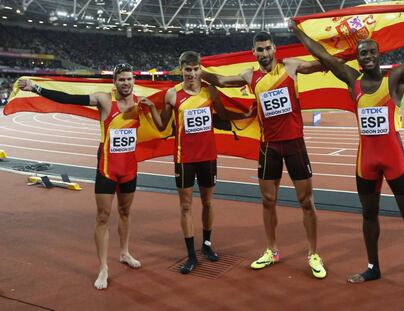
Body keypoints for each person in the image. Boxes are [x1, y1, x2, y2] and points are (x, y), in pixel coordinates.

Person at [291, 21, 404, 283]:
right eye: (363, 53)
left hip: (394, 160)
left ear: (379, 54)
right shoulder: (352, 80)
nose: (368, 56)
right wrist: (297, 32)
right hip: (366, 161)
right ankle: (373, 267)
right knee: (369, 215)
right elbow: (322, 55)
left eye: (371, 51)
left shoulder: (393, 79)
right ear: (357, 59)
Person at [201, 32, 327, 279]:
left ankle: (313, 253)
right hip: (269, 146)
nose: (264, 54)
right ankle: (271, 250)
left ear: (275, 48)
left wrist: (320, 44)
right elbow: (222, 80)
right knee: (268, 201)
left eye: (268, 48)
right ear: (253, 52)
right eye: (260, 50)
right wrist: (195, 70)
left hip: (294, 145)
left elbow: (321, 63)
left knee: (306, 201)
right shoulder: (250, 75)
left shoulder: (290, 66)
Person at [18, 63, 142, 289]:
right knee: (103, 216)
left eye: (129, 79)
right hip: (107, 167)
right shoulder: (104, 100)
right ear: (114, 82)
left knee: (125, 212)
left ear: (134, 80)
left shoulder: (141, 103)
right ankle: (103, 267)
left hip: (130, 167)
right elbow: (67, 98)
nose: (126, 83)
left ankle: (124, 252)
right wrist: (36, 88)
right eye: (121, 79)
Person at [140, 51, 254, 274]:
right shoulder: (172, 95)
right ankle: (191, 255)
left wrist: (244, 115)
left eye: (195, 69)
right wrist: (153, 108)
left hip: (208, 156)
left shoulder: (210, 90)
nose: (192, 74)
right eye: (188, 69)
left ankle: (207, 245)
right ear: (180, 69)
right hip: (184, 158)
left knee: (208, 203)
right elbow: (163, 126)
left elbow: (221, 115)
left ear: (201, 69)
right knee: (185, 206)